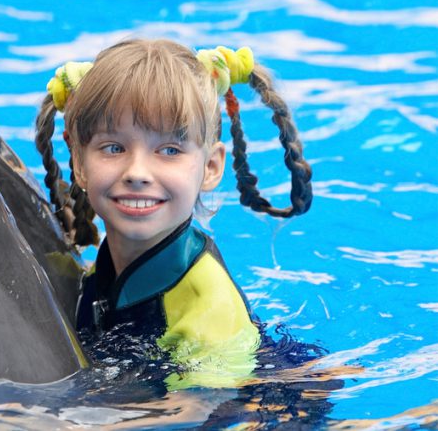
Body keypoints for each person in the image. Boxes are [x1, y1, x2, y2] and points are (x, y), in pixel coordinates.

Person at [34, 39, 313, 388]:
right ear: (78, 161)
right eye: (114, 147)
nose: (137, 171)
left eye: (169, 150)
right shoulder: (107, 269)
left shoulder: (207, 309)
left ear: (210, 167)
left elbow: (198, 410)